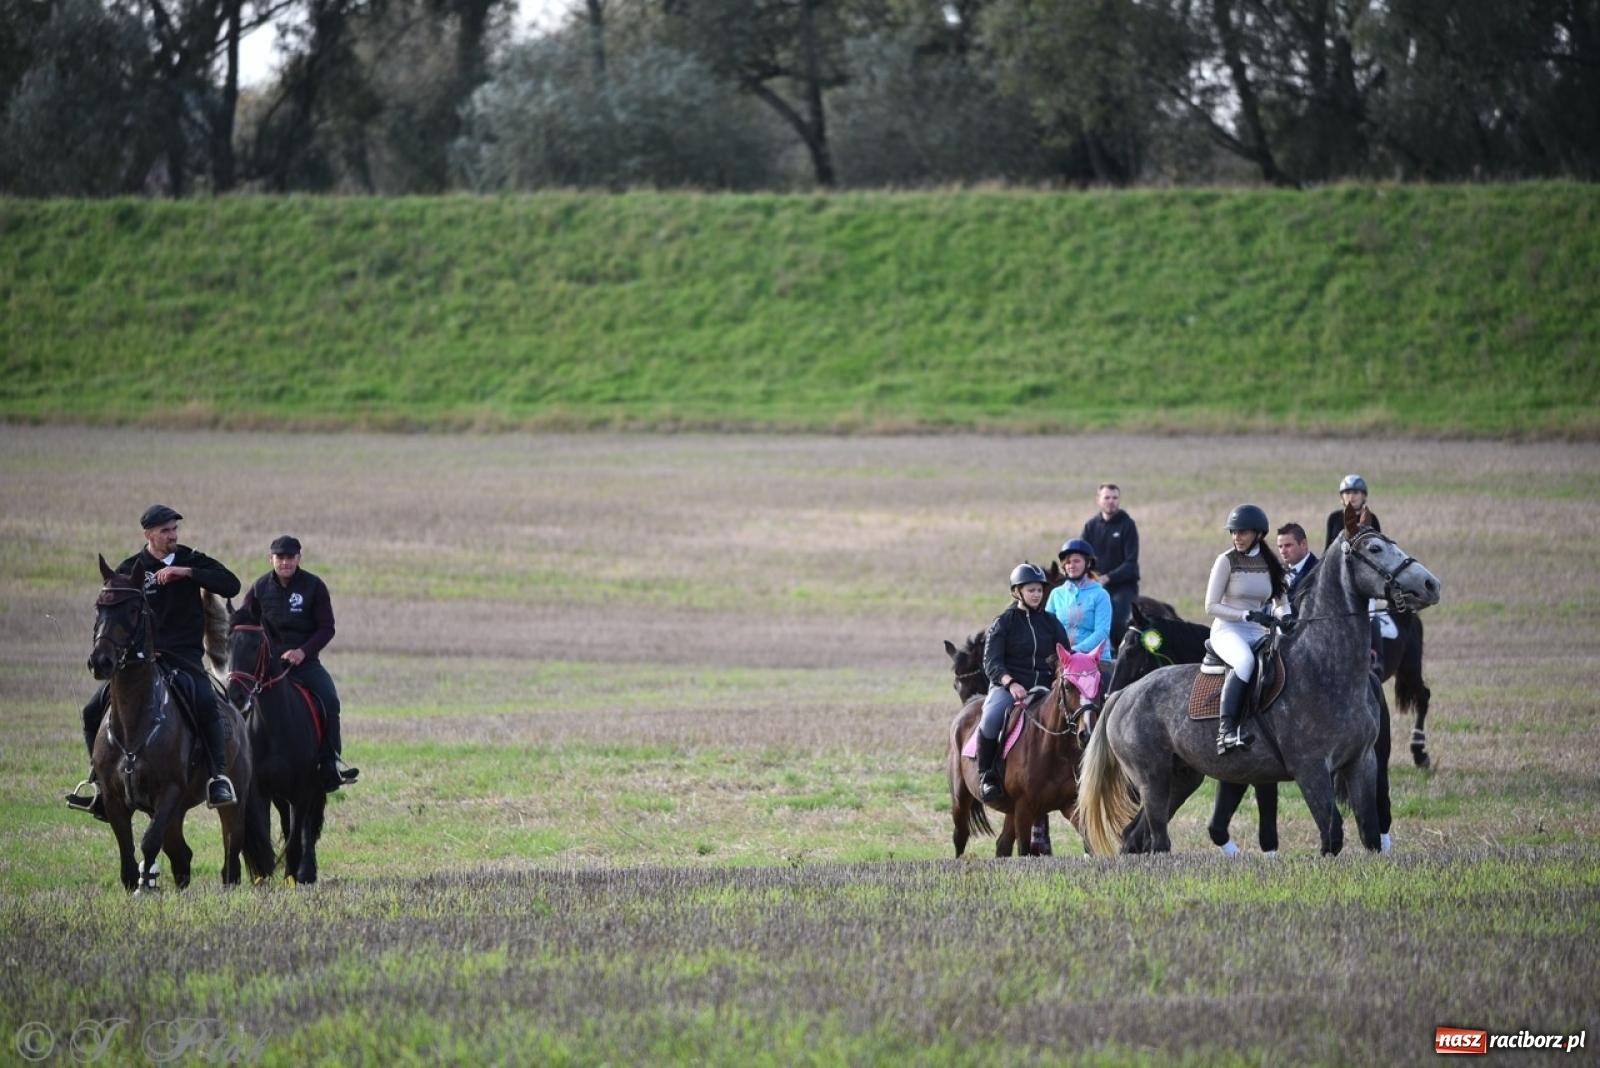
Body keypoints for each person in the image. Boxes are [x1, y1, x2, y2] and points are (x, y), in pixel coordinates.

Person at [66, 505, 241, 816]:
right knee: (92, 711)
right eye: (165, 531)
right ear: (148, 534)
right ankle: (101, 785)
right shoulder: (131, 568)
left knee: (205, 703)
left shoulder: (190, 559)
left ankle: (218, 779)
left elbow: (231, 585)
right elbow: (116, 615)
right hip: (140, 662)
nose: (173, 535)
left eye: (174, 529)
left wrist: (186, 573)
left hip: (184, 658)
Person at [241, 535, 357, 791]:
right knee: (237, 700)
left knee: (330, 700)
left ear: (298, 558)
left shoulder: (314, 586)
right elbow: (245, 623)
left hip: (305, 664)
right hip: (267, 668)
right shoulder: (259, 588)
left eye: (290, 557)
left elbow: (327, 628)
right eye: (280, 557)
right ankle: (234, 763)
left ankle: (330, 762)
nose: (285, 562)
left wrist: (303, 652)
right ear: (271, 559)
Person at [976, 563, 1073, 804]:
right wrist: (1010, 683)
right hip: (1009, 688)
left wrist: (1058, 679)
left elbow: (1065, 657)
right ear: (1017, 592)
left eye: (1039, 590)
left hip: (1046, 688)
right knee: (991, 717)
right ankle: (987, 775)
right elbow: (992, 662)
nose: (1037, 594)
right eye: (1031, 590)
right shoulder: (1003, 623)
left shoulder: (1051, 622)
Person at [1205, 505, 1292, 754]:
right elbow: (1210, 606)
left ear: (1258, 534)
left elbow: (1280, 603)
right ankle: (1226, 732)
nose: (1237, 537)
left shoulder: (1271, 564)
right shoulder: (1226, 561)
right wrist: (1244, 614)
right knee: (1245, 662)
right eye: (1233, 532)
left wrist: (1286, 617)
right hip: (1227, 630)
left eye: (1242, 532)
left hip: (1257, 632)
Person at [1045, 537, 1113, 679]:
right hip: (1064, 661)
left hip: (1096, 661)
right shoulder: (1056, 594)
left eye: (1076, 561)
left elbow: (1102, 632)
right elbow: (1045, 628)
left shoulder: (1101, 594)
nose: (1071, 565)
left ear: (1088, 563)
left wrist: (1074, 651)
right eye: (1068, 562)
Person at [1081, 483, 1140, 643]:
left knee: (1116, 623)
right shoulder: (1090, 526)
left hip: (1123, 587)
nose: (1111, 501)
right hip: (1095, 585)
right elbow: (1082, 558)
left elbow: (1131, 563)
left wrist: (1107, 578)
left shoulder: (1127, 525)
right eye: (1107, 497)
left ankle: (1118, 655)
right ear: (1098, 500)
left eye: (1115, 498)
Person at [1324, 474, 1381, 550]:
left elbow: (1379, 547)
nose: (1351, 496)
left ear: (1364, 496)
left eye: (1356, 492)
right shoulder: (1334, 517)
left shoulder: (1372, 518)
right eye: (1347, 492)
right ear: (1342, 497)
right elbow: (1327, 549)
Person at [1276, 523, 1318, 597]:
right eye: (1280, 546)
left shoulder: (1319, 570)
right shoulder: (1276, 573)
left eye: (1288, 545)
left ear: (1303, 544)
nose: (1282, 551)